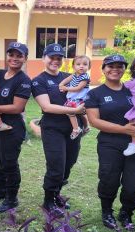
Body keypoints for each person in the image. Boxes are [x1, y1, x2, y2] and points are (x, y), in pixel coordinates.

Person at [85, 54, 135, 231]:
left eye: (120, 66)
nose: (115, 69)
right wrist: (123, 129)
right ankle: (107, 212)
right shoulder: (95, 93)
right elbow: (94, 121)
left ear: (124, 69)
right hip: (109, 143)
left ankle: (126, 212)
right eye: (110, 66)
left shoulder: (133, 89)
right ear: (103, 69)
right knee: (108, 179)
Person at [31, 43, 85, 217]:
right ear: (43, 58)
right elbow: (47, 107)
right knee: (56, 165)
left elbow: (83, 95)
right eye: (51, 57)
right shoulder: (38, 81)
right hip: (52, 128)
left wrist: (84, 114)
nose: (55, 61)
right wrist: (75, 111)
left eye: (59, 58)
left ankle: (56, 194)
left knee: (69, 162)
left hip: (73, 129)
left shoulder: (70, 76)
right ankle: (48, 201)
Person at [0, 42, 32, 213]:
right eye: (12, 54)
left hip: (12, 127)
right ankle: (1, 190)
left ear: (25, 58)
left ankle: (12, 198)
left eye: (19, 55)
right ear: (7, 56)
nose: (15, 58)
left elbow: (17, 108)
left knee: (9, 163)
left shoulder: (24, 80)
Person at [58, 55, 91, 139]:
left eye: (85, 64)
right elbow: (65, 81)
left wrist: (66, 88)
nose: (81, 66)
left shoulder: (85, 77)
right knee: (81, 113)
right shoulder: (74, 75)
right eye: (78, 64)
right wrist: (61, 85)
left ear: (88, 67)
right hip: (73, 98)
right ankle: (86, 127)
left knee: (70, 112)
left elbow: (78, 88)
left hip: (79, 99)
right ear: (73, 66)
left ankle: (76, 129)